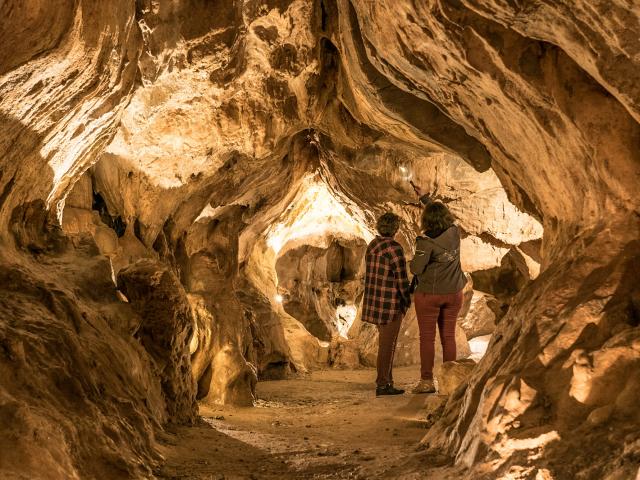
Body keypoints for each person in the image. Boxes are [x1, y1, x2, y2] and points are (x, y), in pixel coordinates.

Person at [410, 201, 467, 394]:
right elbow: (448, 219)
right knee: (448, 336)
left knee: (427, 338)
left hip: (430, 294)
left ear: (426, 220)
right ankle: (449, 381)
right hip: (454, 292)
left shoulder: (425, 242)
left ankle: (427, 382)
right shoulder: (454, 232)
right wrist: (427, 200)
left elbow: (416, 268)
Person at [362, 212, 412, 396]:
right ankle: (382, 384)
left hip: (375, 303)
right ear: (396, 229)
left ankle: (387, 382)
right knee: (387, 346)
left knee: (385, 344)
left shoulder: (372, 245)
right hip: (390, 305)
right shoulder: (394, 248)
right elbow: (401, 279)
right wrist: (407, 301)